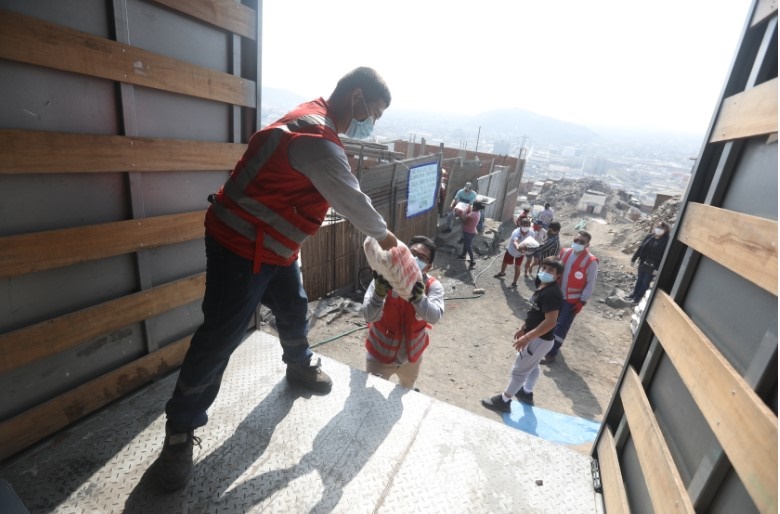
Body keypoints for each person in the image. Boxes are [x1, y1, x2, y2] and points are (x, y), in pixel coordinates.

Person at [152, 67, 399, 491]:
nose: (371, 123)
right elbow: (352, 200)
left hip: (274, 246)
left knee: (293, 306)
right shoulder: (317, 140)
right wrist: (391, 243)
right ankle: (178, 433)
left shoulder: (314, 120)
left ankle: (299, 366)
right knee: (220, 338)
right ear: (356, 97)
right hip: (240, 245)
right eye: (372, 112)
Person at [481, 257, 564, 413]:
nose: (545, 272)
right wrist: (524, 327)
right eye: (544, 268)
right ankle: (526, 392)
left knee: (519, 371)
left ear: (558, 275)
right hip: (539, 339)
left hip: (538, 340)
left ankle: (504, 401)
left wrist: (527, 337)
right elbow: (535, 312)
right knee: (533, 366)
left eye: (550, 270)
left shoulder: (552, 293)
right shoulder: (542, 286)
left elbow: (550, 322)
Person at [363, 236, 445, 389]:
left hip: (411, 359)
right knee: (371, 401)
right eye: (412, 253)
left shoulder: (433, 286)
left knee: (405, 391)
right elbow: (368, 316)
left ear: (428, 266)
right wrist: (378, 296)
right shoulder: (383, 279)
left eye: (422, 258)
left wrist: (419, 299)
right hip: (380, 356)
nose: (415, 259)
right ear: (404, 255)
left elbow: (434, 317)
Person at [540, 230, 598, 364]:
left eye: (582, 242)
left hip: (572, 300)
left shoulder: (591, 261)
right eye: (576, 240)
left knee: (561, 326)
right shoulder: (564, 252)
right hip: (557, 295)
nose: (577, 243)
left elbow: (590, 283)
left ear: (588, 244)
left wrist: (582, 301)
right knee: (550, 321)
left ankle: (551, 354)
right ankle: (546, 345)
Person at [625, 221, 671, 303]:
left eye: (661, 228)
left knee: (645, 282)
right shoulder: (650, 236)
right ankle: (633, 294)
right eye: (658, 227)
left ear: (666, 230)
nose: (658, 229)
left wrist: (657, 269)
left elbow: (665, 257)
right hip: (643, 262)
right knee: (639, 279)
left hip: (653, 266)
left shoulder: (666, 241)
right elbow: (641, 247)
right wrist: (634, 258)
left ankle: (637, 298)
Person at [494, 218, 534, 288]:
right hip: (511, 250)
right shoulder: (516, 232)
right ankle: (502, 272)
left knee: (517, 267)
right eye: (523, 225)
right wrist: (518, 247)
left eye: (527, 225)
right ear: (520, 225)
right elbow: (515, 241)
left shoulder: (532, 233)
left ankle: (514, 283)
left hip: (521, 253)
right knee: (505, 262)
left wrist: (525, 249)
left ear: (529, 226)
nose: (525, 227)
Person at [458, 201, 484, 270]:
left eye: (473, 205)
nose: (472, 206)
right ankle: (463, 256)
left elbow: (466, 222)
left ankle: (472, 261)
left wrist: (460, 216)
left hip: (468, 232)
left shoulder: (473, 215)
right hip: (471, 231)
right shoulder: (477, 213)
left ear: (475, 207)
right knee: (466, 244)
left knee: (468, 246)